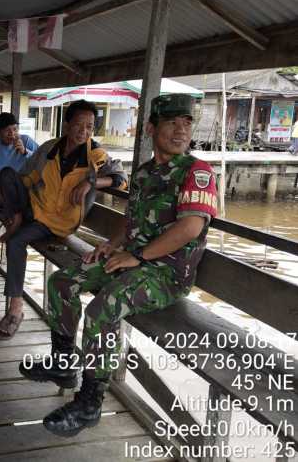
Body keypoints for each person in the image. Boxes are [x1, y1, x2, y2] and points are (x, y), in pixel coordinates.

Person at [23, 94, 218, 438]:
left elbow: (190, 227)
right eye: (172, 123)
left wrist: (137, 256)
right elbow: (131, 223)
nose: (181, 131)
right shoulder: (144, 174)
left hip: (166, 274)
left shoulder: (196, 172)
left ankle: (90, 401)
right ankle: (63, 364)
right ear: (151, 128)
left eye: (187, 123)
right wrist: (110, 246)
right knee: (63, 283)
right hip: (131, 260)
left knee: (103, 308)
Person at [0, 100, 127, 340]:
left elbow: (121, 178)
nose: (83, 131)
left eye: (89, 127)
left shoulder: (96, 154)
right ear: (66, 125)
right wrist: (10, 195)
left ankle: (15, 310)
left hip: (58, 222)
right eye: (78, 125)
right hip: (35, 209)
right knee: (7, 175)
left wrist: (91, 182)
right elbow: (27, 176)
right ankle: (17, 217)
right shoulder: (50, 148)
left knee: (16, 241)